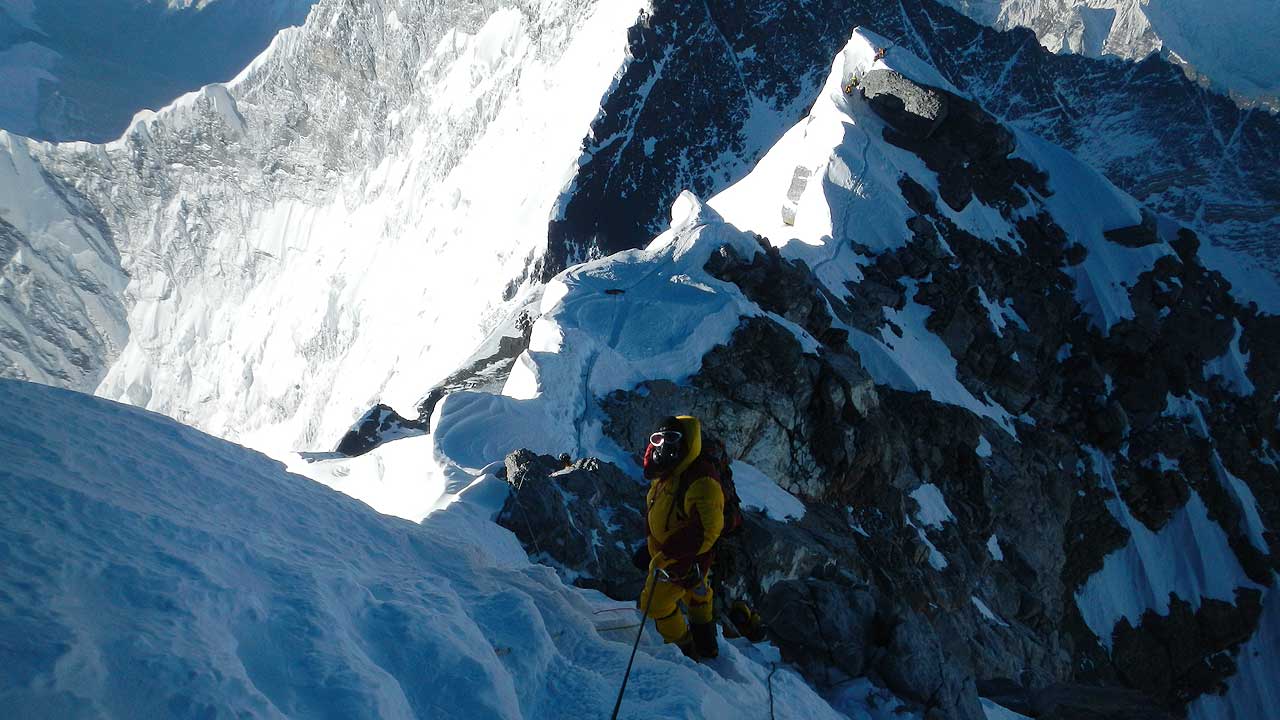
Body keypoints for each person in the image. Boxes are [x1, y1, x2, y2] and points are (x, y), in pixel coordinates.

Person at [638, 415, 724, 660]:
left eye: (672, 438)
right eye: (658, 438)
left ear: (687, 441)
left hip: (681, 560)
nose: (663, 445)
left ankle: (685, 650)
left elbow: (707, 528)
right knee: (697, 595)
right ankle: (707, 645)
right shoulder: (669, 475)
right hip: (683, 558)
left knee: (655, 604)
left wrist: (667, 556)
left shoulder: (701, 479)